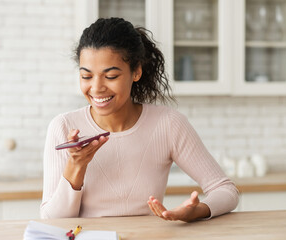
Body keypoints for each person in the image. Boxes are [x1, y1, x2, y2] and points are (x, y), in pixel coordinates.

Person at [40, 17, 238, 222]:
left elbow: (226, 190)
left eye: (111, 76)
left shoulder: (168, 124)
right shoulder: (64, 126)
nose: (97, 88)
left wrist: (198, 211)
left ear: (136, 72)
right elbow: (52, 219)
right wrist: (76, 166)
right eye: (87, 76)